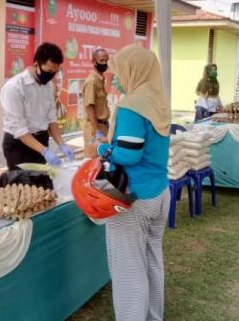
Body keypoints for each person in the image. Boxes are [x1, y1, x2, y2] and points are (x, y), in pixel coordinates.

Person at [86, 44, 171, 321]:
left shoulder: (132, 106)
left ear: (134, 70)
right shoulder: (158, 99)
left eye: (120, 70)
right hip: (159, 193)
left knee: (128, 270)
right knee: (152, 261)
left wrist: (101, 149)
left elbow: (129, 154)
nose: (116, 76)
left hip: (133, 199)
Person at [0, 42, 75, 170]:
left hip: (41, 140)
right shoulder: (14, 87)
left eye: (55, 72)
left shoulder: (49, 86)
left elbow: (51, 120)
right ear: (36, 64)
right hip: (18, 144)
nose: (51, 76)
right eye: (49, 71)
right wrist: (45, 152)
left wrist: (62, 145)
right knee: (22, 181)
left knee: (42, 179)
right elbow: (19, 130)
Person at [82, 48, 111, 146]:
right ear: (94, 62)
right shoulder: (92, 81)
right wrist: (97, 131)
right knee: (94, 155)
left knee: (103, 155)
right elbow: (89, 107)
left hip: (103, 126)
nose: (104, 63)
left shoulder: (101, 79)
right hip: (94, 128)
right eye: (101, 60)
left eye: (106, 60)